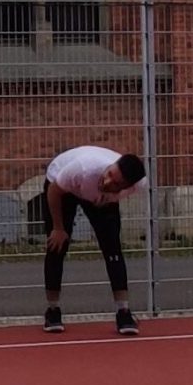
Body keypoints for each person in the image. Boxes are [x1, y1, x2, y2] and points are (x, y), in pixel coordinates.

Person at [41, 143, 148, 335]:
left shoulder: (138, 185)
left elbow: (111, 196)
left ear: (128, 186)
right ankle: (52, 310)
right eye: (109, 175)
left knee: (113, 248)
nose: (107, 182)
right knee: (57, 244)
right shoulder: (83, 168)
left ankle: (123, 311)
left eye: (116, 183)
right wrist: (58, 228)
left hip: (97, 197)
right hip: (63, 187)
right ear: (110, 167)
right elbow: (54, 191)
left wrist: (107, 198)